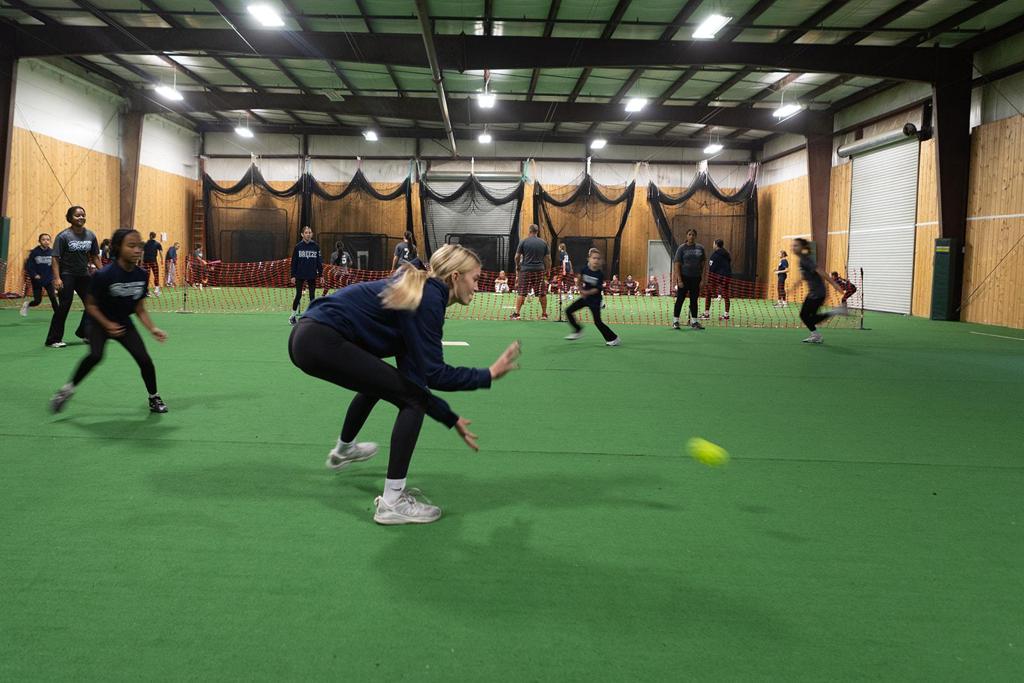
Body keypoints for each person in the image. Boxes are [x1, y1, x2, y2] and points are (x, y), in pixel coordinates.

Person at [290, 244, 521, 525]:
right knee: (413, 400)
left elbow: (414, 377)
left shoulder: (423, 293)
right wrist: (488, 374)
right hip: (320, 339)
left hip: (309, 338)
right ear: (455, 277)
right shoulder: (428, 299)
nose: (477, 287)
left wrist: (448, 416)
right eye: (475, 279)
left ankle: (344, 450)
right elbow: (434, 375)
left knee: (386, 385)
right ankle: (392, 503)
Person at [49, 228, 168, 414]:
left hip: (122, 323)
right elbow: (91, 305)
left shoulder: (142, 275)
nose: (137, 250)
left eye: (139, 246)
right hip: (98, 322)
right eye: (131, 246)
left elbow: (139, 308)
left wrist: (152, 329)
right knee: (95, 355)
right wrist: (107, 324)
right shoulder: (104, 275)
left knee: (144, 359)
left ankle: (154, 397)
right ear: (118, 248)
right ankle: (66, 391)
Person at [45, 206, 101, 349]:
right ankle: (53, 339)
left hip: (84, 275)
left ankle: (84, 332)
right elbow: (55, 258)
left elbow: (95, 256)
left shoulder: (90, 235)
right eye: (77, 215)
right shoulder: (63, 236)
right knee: (64, 306)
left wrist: (104, 272)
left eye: (83, 215)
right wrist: (57, 278)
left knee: (93, 303)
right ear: (70, 218)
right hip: (67, 274)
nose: (81, 217)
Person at [792, 238, 847, 344]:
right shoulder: (802, 259)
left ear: (802, 247)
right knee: (808, 317)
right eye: (793, 245)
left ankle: (836, 311)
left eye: (796, 245)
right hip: (814, 292)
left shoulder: (806, 259)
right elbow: (805, 275)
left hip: (817, 293)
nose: (793, 248)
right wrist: (796, 284)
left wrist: (834, 284)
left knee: (806, 316)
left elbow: (820, 271)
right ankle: (816, 335)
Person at [563, 249, 619, 346]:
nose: (596, 260)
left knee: (597, 322)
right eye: (594, 258)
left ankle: (613, 338)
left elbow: (597, 290)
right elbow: (579, 280)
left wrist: (585, 292)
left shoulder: (600, 274)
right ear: (589, 259)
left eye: (598, 258)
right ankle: (578, 330)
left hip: (595, 301)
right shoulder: (584, 269)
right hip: (585, 298)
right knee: (568, 311)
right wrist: (580, 289)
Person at [511, 224, 551, 320]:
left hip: (526, 270)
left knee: (522, 292)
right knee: (542, 292)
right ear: (537, 231)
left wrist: (517, 266)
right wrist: (548, 269)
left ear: (529, 231)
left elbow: (516, 257)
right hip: (539, 270)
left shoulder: (523, 241)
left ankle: (517, 314)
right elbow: (548, 259)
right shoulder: (543, 243)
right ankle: (544, 314)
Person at [671, 229, 706, 330]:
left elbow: (704, 265)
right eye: (689, 234)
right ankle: (675, 321)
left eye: (693, 235)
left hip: (696, 278)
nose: (691, 236)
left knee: (694, 300)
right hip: (684, 278)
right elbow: (677, 264)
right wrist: (679, 280)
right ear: (686, 236)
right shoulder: (681, 248)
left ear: (696, 236)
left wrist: (703, 279)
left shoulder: (700, 248)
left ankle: (694, 322)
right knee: (680, 299)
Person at [290, 226, 322, 325]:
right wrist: (293, 275)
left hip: (311, 274)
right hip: (300, 274)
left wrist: (321, 275)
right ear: (302, 234)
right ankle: (292, 316)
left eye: (310, 232)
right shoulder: (298, 247)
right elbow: (294, 262)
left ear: (312, 234)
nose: (308, 234)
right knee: (298, 295)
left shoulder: (315, 246)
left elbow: (319, 261)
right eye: (306, 232)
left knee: (312, 297)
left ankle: (313, 317)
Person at [20, 233, 58, 317]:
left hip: (48, 279)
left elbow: (55, 265)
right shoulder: (35, 252)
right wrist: (34, 274)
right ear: (39, 241)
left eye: (48, 240)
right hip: (37, 280)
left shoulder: (52, 252)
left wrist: (56, 276)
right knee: (37, 301)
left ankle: (58, 315)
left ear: (50, 241)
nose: (46, 241)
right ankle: (27, 304)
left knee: (53, 297)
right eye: (43, 239)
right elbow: (29, 266)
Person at [703, 238, 732, 321]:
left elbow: (712, 268)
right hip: (726, 276)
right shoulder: (727, 254)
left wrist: (709, 278)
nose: (713, 245)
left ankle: (706, 314)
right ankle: (726, 315)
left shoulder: (714, 255)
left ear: (716, 245)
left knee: (708, 293)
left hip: (716, 277)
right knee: (726, 294)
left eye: (713, 244)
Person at [141, 232, 163, 297]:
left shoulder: (145, 244)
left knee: (146, 276)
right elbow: (160, 252)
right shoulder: (157, 244)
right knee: (156, 275)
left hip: (146, 262)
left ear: (149, 236)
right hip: (153, 261)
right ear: (154, 236)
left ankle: (146, 291)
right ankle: (156, 290)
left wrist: (141, 261)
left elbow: (142, 253)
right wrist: (162, 259)